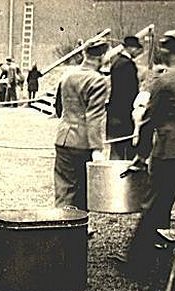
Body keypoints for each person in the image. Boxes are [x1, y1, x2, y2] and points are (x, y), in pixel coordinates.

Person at [113, 30, 175, 280]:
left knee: (155, 205)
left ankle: (138, 263)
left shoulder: (165, 80)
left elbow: (149, 122)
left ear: (167, 50)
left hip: (171, 151)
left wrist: (141, 156)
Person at [54, 39, 109, 213]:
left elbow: (58, 107)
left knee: (64, 187)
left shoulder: (68, 75)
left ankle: (60, 224)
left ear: (85, 54)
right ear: (101, 56)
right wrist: (97, 149)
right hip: (82, 142)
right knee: (82, 188)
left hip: (63, 138)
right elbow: (94, 116)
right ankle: (77, 228)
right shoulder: (98, 81)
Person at [107, 36, 143, 160]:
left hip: (114, 114)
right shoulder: (128, 65)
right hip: (124, 114)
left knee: (116, 149)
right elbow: (130, 92)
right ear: (131, 48)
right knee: (125, 151)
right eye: (137, 49)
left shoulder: (116, 62)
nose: (138, 53)